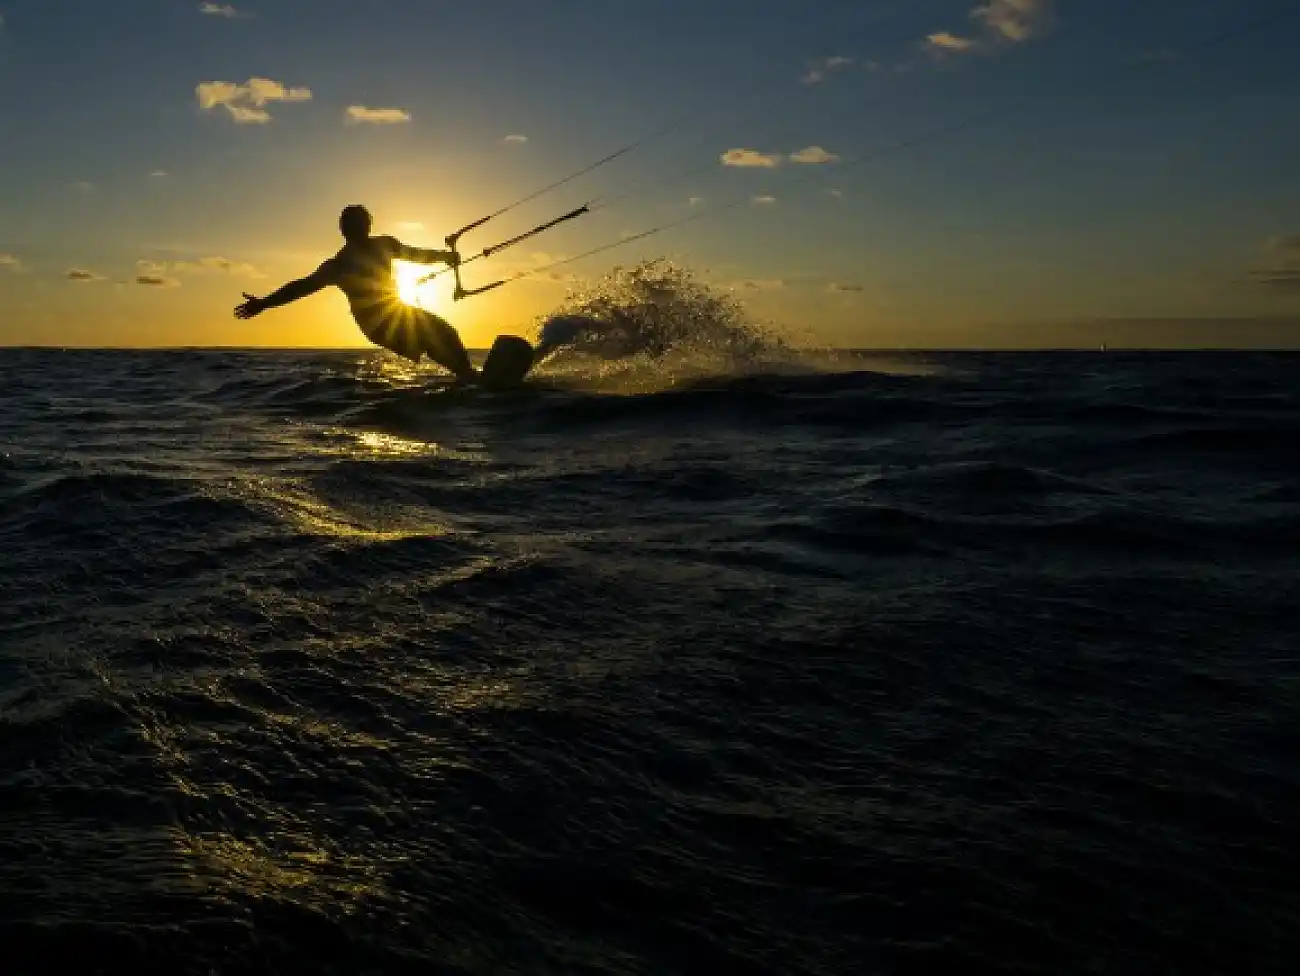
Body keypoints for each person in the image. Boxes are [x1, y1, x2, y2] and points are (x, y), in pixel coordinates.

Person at [234, 205, 478, 382]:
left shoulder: (385, 244)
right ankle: (468, 379)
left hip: (399, 312)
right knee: (430, 337)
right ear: (344, 230)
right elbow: (301, 287)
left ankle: (467, 377)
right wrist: (264, 303)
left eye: (361, 222)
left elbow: (414, 254)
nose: (358, 227)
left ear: (368, 225)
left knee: (444, 333)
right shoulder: (338, 265)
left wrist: (444, 257)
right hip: (376, 325)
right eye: (352, 224)